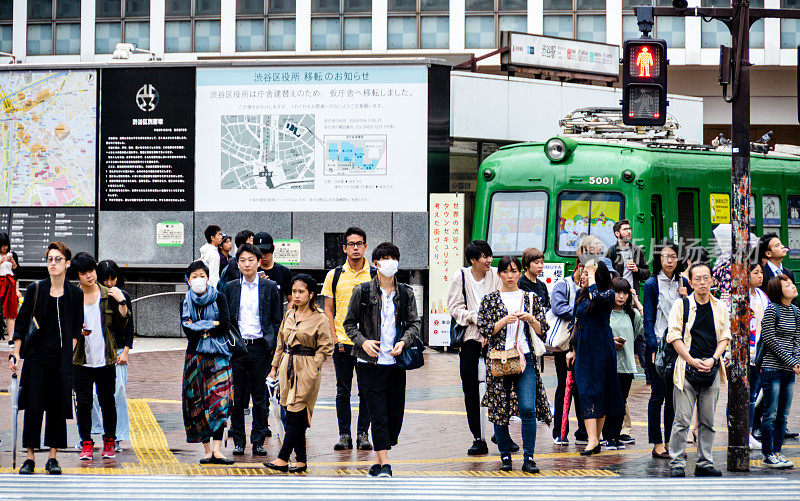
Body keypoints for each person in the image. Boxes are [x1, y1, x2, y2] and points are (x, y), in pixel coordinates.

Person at [344, 242, 421, 478]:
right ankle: (385, 463)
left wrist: (404, 342)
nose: (390, 263)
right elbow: (348, 324)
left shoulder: (406, 293)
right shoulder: (363, 291)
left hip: (396, 363)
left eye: (393, 258)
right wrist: (364, 342)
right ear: (376, 263)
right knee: (377, 412)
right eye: (385, 259)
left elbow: (415, 323)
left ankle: (377, 461)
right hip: (370, 363)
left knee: (394, 414)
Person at [9, 242, 83, 475]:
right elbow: (22, 323)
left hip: (60, 360)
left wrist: (67, 355)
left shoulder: (75, 294)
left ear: (67, 263)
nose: (52, 263)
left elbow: (74, 330)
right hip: (36, 358)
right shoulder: (36, 289)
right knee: (33, 407)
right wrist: (16, 353)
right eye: (49, 259)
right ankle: (29, 457)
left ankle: (53, 457)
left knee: (57, 408)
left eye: (57, 259)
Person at [478, 256, 551, 473]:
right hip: (499, 359)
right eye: (506, 271)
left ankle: (529, 457)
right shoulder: (490, 299)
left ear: (520, 272)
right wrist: (503, 322)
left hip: (524, 359)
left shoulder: (530, 298)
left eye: (514, 271)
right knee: (500, 410)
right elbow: (484, 329)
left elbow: (543, 330)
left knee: (528, 408)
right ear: (499, 274)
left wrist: (530, 319)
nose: (510, 276)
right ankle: (505, 456)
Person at [264, 274, 334, 473]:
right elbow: (280, 343)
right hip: (287, 365)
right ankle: (301, 461)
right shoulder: (289, 314)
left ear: (311, 294)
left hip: (306, 367)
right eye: (294, 291)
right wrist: (274, 368)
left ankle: (283, 458)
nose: (296, 295)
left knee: (296, 413)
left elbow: (326, 347)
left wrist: (314, 367)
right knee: (292, 412)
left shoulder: (319, 318)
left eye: (301, 292)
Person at [666, 263, 731, 478]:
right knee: (682, 420)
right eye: (698, 279)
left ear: (712, 280)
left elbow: (725, 337)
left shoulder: (720, 306)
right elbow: (674, 337)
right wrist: (692, 361)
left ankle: (705, 462)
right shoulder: (681, 305)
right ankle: (677, 461)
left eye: (706, 278)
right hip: (686, 369)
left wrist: (713, 359)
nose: (702, 282)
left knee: (708, 422)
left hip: (711, 369)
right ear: (691, 282)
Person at [71, 253, 131, 461]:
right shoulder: (73, 296)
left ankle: (109, 441)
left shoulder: (108, 294)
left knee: (108, 402)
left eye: (91, 271)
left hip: (105, 359)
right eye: (83, 273)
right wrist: (77, 330)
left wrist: (122, 302)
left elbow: (122, 324)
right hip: (80, 360)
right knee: (84, 403)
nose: (89, 276)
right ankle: (86, 443)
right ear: (77, 276)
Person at [224, 243, 283, 456]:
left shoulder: (270, 287)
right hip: (237, 349)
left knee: (260, 398)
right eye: (242, 260)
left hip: (260, 348)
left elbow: (276, 320)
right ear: (237, 263)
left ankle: (258, 440)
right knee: (237, 399)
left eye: (251, 260)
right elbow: (227, 319)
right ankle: (239, 440)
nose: (247, 264)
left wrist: (271, 345)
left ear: (259, 262)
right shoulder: (230, 287)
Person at [321, 227, 375, 451]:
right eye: (351, 244)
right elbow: (328, 310)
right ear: (344, 248)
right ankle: (344, 434)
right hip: (342, 343)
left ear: (365, 246)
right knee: (343, 391)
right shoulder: (334, 275)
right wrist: (334, 338)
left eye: (359, 243)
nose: (355, 247)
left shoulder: (374, 274)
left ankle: (363, 434)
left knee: (366, 391)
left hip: (367, 344)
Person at [447, 240, 502, 456]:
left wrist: (489, 327)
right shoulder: (460, 277)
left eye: (489, 255)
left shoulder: (497, 275)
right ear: (473, 260)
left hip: (495, 339)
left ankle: (501, 431)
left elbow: (501, 305)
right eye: (483, 256)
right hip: (469, 340)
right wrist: (476, 318)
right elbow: (454, 308)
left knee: (500, 386)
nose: (489, 260)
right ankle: (477, 437)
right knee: (470, 389)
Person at [567, 260, 624, 456]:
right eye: (582, 272)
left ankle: (595, 439)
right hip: (584, 348)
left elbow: (597, 298)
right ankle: (592, 439)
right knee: (587, 392)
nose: (583, 276)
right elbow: (576, 324)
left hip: (602, 348)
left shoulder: (607, 294)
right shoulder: (580, 294)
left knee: (601, 392)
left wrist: (592, 276)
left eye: (588, 273)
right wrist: (572, 349)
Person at [181, 260, 234, 465]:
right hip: (195, 357)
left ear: (208, 278)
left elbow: (226, 325)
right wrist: (212, 324)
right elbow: (188, 332)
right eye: (194, 276)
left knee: (219, 401)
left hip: (218, 357)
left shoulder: (219, 297)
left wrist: (200, 327)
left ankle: (218, 450)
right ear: (187, 280)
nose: (198, 280)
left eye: (201, 275)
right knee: (197, 402)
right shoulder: (185, 301)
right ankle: (206, 450)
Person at [642, 240, 690, 459]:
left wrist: (685, 296)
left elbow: (689, 315)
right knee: (657, 396)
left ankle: (672, 442)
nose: (670, 260)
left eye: (673, 256)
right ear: (659, 259)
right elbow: (648, 317)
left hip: (678, 346)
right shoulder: (652, 284)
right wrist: (652, 346)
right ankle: (657, 443)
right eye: (665, 256)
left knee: (674, 396)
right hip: (658, 347)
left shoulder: (684, 283)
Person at [90, 260, 134, 452]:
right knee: (89, 394)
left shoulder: (123, 296)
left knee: (118, 393)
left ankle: (117, 436)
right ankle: (90, 433)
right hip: (95, 351)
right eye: (105, 279)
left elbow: (129, 326)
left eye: (112, 278)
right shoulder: (92, 296)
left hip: (117, 352)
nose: (109, 283)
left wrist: (126, 351)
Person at [758, 274, 800, 468]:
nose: (793, 287)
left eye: (792, 284)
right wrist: (791, 360)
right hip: (771, 368)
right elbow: (769, 339)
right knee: (771, 413)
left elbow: (796, 340)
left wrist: (796, 360)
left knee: (783, 414)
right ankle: (768, 454)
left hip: (788, 370)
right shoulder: (771, 310)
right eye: (788, 285)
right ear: (778, 291)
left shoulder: (796, 311)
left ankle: (777, 452)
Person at [549, 257, 588, 446]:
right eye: (588, 271)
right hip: (565, 345)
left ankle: (583, 431)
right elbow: (558, 308)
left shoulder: (592, 287)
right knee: (564, 386)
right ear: (579, 267)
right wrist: (582, 310)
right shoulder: (562, 285)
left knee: (582, 387)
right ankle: (560, 432)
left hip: (585, 344)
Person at [602, 277, 644, 450]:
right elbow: (597, 336)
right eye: (617, 292)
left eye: (625, 293)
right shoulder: (603, 313)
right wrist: (611, 341)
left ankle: (616, 435)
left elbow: (641, 329)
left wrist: (636, 300)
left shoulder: (631, 314)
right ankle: (608, 436)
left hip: (626, 364)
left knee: (621, 401)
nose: (621, 296)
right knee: (609, 401)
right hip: (607, 364)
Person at [746, 263, 769, 450]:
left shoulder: (762, 296)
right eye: (756, 273)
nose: (760, 276)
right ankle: (740, 431)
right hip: (743, 353)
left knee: (753, 394)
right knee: (741, 394)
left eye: (761, 272)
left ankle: (749, 431)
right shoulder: (738, 296)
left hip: (759, 351)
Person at [605, 220, 651, 291]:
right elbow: (605, 275)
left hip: (632, 294)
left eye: (629, 229)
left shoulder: (637, 251)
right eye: (625, 229)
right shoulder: (611, 251)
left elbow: (647, 273)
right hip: (616, 294)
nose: (629, 232)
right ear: (617, 233)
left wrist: (637, 270)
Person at [254, 232, 293, 305]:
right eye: (259, 252)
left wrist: (289, 315)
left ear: (273, 249)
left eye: (266, 251)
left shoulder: (284, 271)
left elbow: (291, 299)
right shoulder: (250, 271)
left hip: (276, 315)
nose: (263, 256)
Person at [0, 232, 19, 343]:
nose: (5, 248)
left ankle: (11, 337)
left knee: (10, 310)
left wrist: (13, 262)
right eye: (2, 245)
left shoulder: (12, 254)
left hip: (10, 281)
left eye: (6, 245)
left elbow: (17, 271)